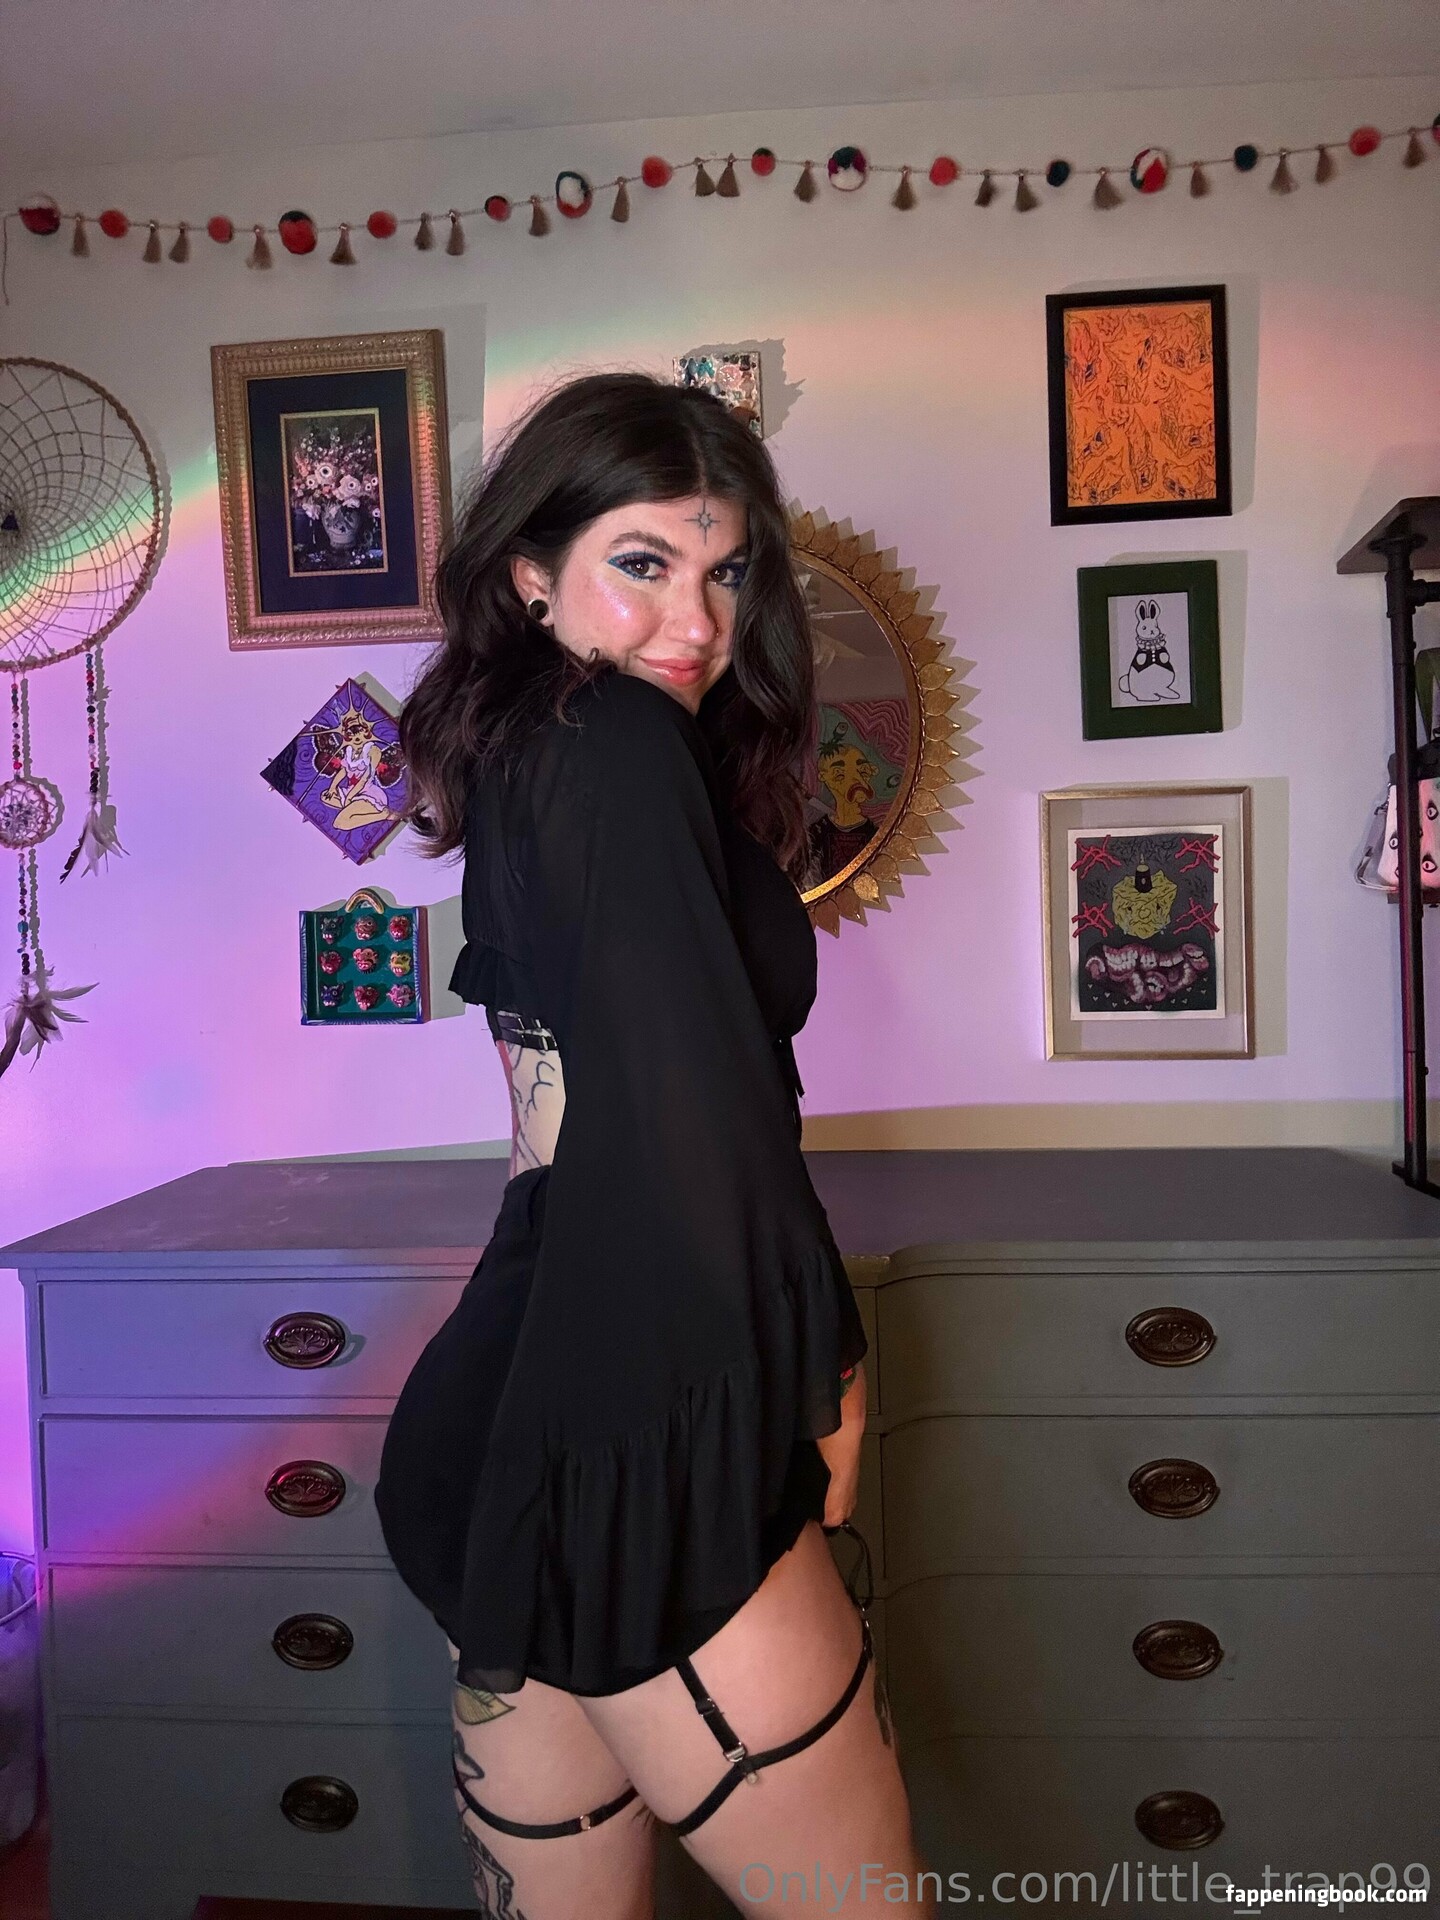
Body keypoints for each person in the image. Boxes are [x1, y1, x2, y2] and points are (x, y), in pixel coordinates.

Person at [376, 371, 931, 1918]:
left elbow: (550, 1126)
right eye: (643, 562)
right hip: (637, 1436)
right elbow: (700, 1121)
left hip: (512, 1421)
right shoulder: (610, 738)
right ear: (529, 574)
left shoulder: (528, 748)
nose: (695, 619)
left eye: (726, 572)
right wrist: (828, 1369)